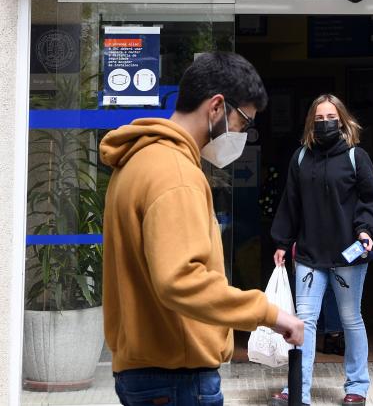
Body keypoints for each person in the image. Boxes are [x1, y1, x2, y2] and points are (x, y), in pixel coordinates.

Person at [100, 52, 304, 406]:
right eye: (243, 122)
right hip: (177, 378)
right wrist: (269, 313)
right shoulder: (175, 174)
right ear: (216, 107)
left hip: (148, 371)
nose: (241, 134)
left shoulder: (139, 161)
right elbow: (181, 279)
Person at [270, 94, 373, 406]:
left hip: (348, 254)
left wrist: (366, 229)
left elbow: (370, 199)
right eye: (318, 119)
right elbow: (290, 203)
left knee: (350, 319)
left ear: (343, 120)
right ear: (310, 123)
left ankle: (357, 386)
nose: (325, 123)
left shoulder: (355, 157)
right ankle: (298, 389)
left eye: (330, 117)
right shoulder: (300, 158)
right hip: (308, 254)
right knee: (302, 322)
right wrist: (282, 241)